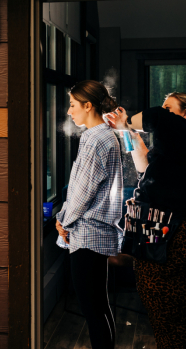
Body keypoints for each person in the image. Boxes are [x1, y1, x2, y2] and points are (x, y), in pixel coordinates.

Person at [106, 92, 186, 349]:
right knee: (176, 318)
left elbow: (155, 115)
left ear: (185, 114)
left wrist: (126, 122)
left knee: (170, 320)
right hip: (180, 235)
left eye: (171, 108)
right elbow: (143, 165)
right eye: (166, 108)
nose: (165, 112)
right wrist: (126, 132)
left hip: (178, 238)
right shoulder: (178, 148)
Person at [55, 80, 123, 349]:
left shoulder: (94, 138)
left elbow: (82, 191)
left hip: (88, 234)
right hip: (99, 233)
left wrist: (63, 220)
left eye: (72, 105)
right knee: (100, 307)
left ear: (88, 105)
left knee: (93, 310)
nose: (70, 112)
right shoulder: (107, 135)